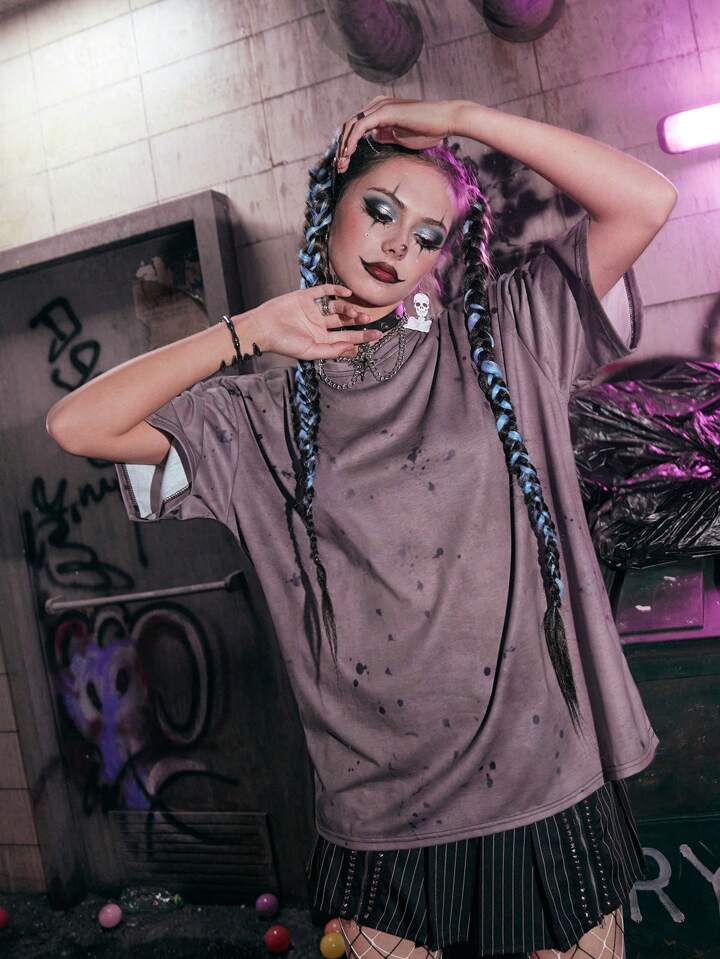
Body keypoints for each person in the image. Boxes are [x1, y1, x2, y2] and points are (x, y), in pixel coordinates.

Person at [46, 96, 678, 959]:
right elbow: (77, 425)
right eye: (381, 210)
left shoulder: (502, 340)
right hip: (382, 814)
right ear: (330, 209)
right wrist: (245, 332)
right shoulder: (255, 418)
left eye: (427, 234)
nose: (397, 244)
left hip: (544, 787)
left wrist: (463, 116)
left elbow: (645, 201)